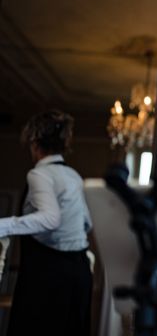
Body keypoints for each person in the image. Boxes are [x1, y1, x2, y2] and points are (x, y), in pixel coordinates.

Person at [1, 110, 93, 336]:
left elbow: (51, 219)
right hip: (79, 272)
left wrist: (2, 225)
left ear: (34, 142)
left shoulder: (39, 174)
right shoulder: (74, 176)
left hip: (47, 275)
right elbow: (87, 223)